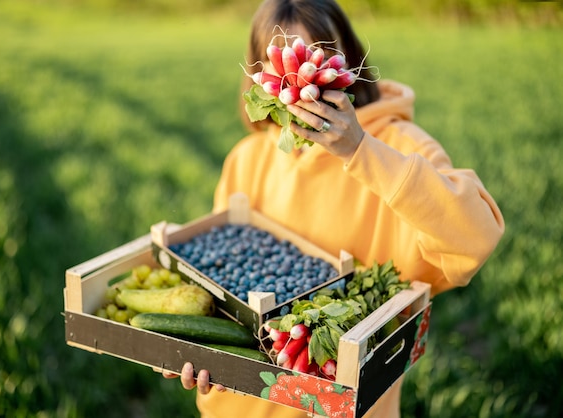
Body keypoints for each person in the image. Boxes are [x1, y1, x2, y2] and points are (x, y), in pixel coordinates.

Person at [164, 0, 505, 417]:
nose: (305, 98)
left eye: (317, 68)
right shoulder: (248, 159)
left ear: (348, 65)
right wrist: (199, 350)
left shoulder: (399, 148)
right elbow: (218, 287)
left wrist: (361, 151)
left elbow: (478, 234)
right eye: (284, 77)